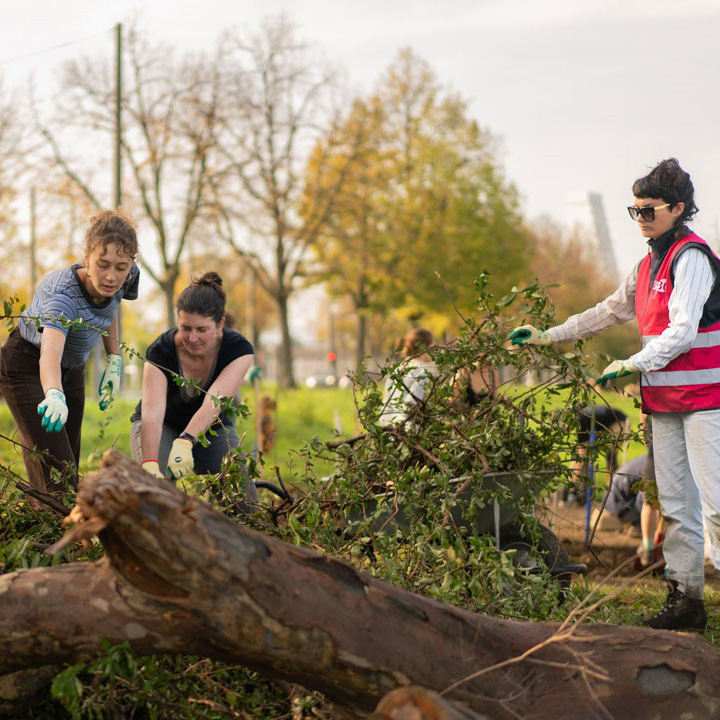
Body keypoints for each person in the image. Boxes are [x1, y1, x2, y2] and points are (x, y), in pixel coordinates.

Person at [511, 158, 719, 631]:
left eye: (649, 210)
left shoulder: (692, 258)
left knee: (717, 507)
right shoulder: (647, 265)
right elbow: (608, 311)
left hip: (709, 401)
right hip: (665, 405)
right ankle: (686, 602)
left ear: (678, 209)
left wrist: (632, 363)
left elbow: (684, 330)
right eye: (635, 210)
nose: (641, 219)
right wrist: (548, 334)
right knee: (675, 507)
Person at [0, 209, 140, 495]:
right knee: (59, 473)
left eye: (120, 266)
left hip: (72, 368)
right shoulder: (63, 295)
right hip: (27, 363)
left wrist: (114, 358)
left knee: (66, 464)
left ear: (131, 263)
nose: (111, 276)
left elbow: (112, 305)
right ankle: (56, 530)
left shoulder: (128, 275)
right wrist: (54, 393)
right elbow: (49, 353)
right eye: (102, 265)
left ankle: (40, 526)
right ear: (87, 257)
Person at [130, 272, 256, 503]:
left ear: (220, 325)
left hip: (213, 428)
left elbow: (214, 401)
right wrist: (149, 465)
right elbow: (153, 414)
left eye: (201, 329)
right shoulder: (161, 351)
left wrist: (186, 439)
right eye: (185, 328)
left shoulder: (238, 350)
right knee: (158, 495)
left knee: (241, 499)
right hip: (162, 426)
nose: (192, 337)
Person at [380, 328, 438, 426]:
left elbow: (386, 404)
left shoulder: (396, 369)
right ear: (424, 348)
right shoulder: (423, 373)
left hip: (391, 431)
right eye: (432, 348)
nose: (435, 352)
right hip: (411, 431)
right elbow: (410, 405)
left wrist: (385, 429)